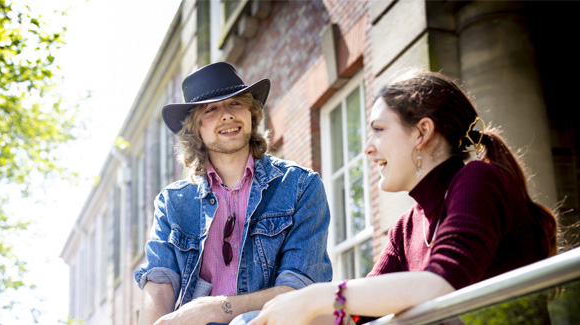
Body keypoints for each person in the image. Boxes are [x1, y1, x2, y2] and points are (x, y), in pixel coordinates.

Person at [248, 71, 558, 325]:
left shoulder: (477, 179)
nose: (368, 147)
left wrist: (315, 297)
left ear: (422, 133)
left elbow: (441, 285)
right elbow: (357, 314)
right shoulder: (406, 227)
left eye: (379, 129)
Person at [134, 62, 332, 325]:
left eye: (236, 103)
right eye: (212, 109)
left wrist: (217, 308)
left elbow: (299, 290)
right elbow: (158, 284)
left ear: (251, 113)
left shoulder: (300, 186)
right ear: (195, 128)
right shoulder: (172, 203)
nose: (227, 115)